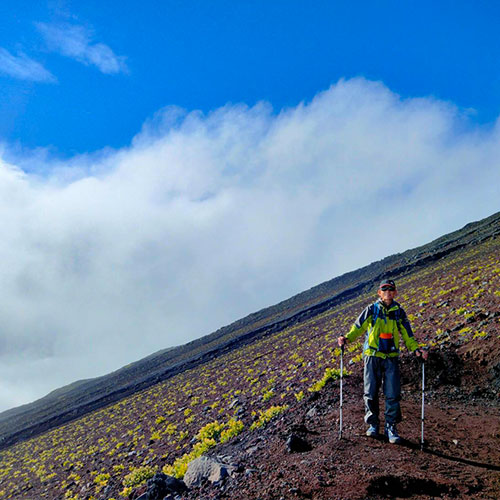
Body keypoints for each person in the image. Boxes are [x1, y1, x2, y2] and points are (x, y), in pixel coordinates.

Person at [337, 279, 428, 444]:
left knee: (392, 393)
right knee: (370, 392)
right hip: (372, 355)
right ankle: (373, 425)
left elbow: (407, 334)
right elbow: (358, 328)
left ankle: (390, 427)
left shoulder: (399, 312)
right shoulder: (371, 310)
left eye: (391, 289)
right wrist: (346, 339)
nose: (388, 292)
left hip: (391, 357)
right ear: (379, 293)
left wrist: (416, 349)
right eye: (384, 289)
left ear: (395, 292)